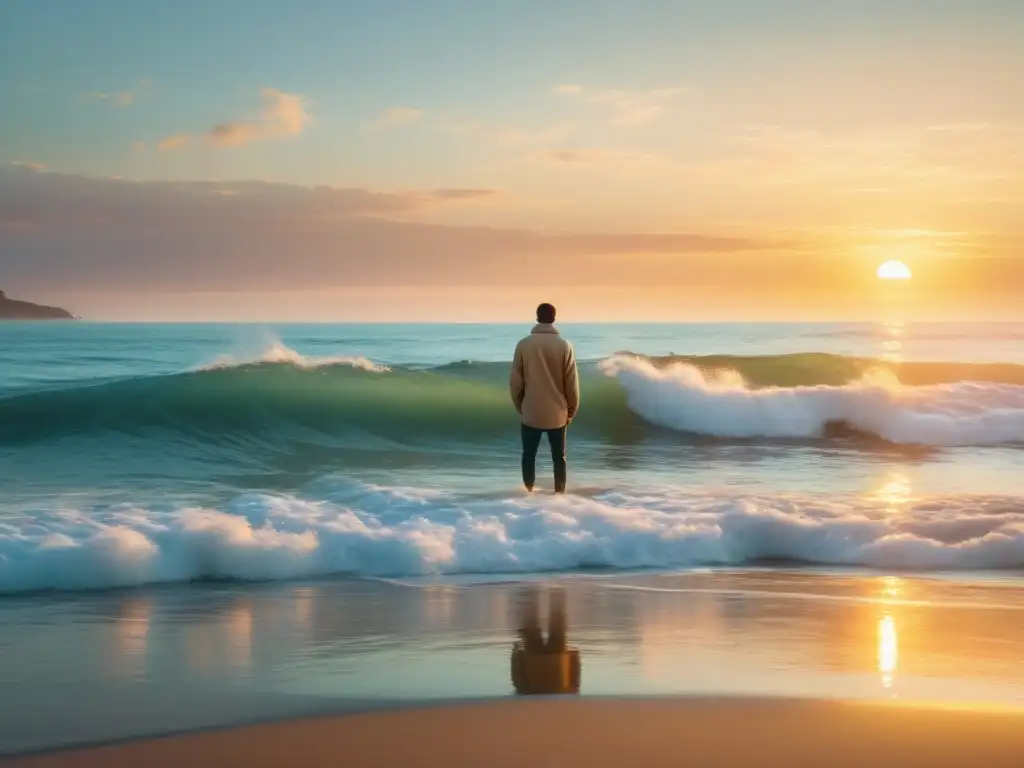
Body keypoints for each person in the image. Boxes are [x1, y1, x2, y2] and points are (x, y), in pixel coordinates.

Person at [509, 303, 580, 493]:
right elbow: (571, 383)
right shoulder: (565, 345)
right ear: (554, 318)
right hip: (558, 413)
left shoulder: (523, 344)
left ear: (537, 317)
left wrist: (521, 407)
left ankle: (528, 493)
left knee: (528, 455)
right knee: (559, 456)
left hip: (531, 411)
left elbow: (516, 382)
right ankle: (560, 495)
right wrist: (571, 411)